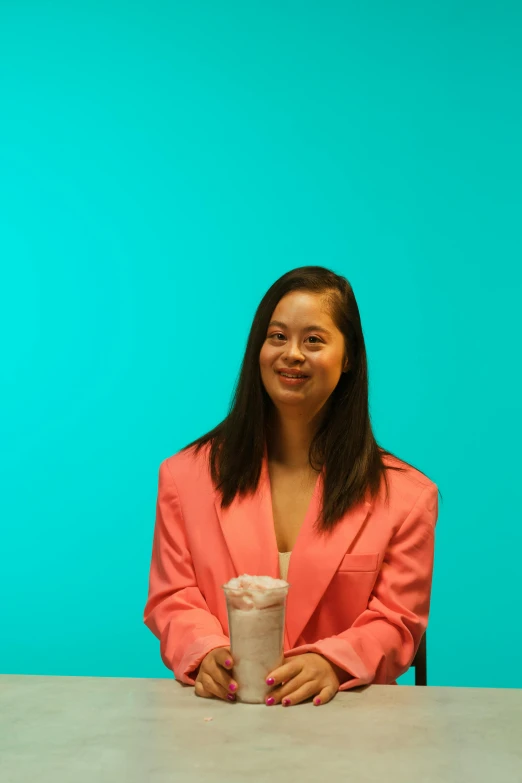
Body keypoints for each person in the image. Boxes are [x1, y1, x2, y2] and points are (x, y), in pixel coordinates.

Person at [143, 266, 439, 707]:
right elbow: (173, 597)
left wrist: (333, 662)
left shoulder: (409, 497)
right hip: (219, 726)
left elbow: (397, 622)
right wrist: (204, 651)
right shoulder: (184, 477)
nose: (292, 354)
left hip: (346, 727)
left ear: (350, 356)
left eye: (314, 340)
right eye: (277, 336)